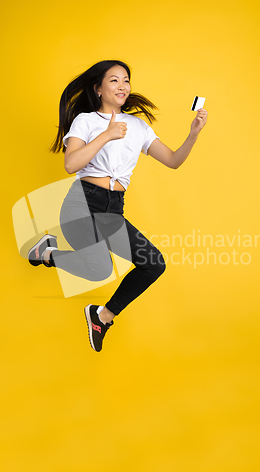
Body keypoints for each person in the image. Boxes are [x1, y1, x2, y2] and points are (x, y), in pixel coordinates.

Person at [28, 60, 208, 352]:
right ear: (98, 88)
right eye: (114, 80)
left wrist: (194, 134)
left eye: (126, 80)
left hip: (113, 208)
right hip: (83, 202)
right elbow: (70, 164)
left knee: (153, 264)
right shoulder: (86, 121)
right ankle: (46, 252)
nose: (123, 86)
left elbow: (173, 161)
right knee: (97, 268)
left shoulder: (138, 126)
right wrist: (107, 134)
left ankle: (102, 316)